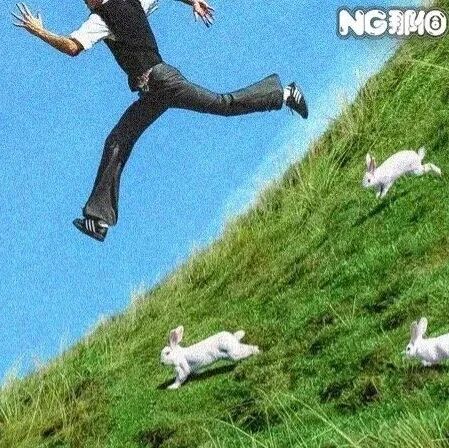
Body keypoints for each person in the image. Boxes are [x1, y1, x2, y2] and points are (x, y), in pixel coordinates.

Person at [12, 0, 308, 242]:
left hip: (162, 83)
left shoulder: (101, 19)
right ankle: (98, 220)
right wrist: (193, 1)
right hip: (154, 90)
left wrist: (39, 31)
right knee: (117, 140)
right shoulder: (131, 2)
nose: (84, 4)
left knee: (222, 104)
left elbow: (72, 47)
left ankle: (284, 94)